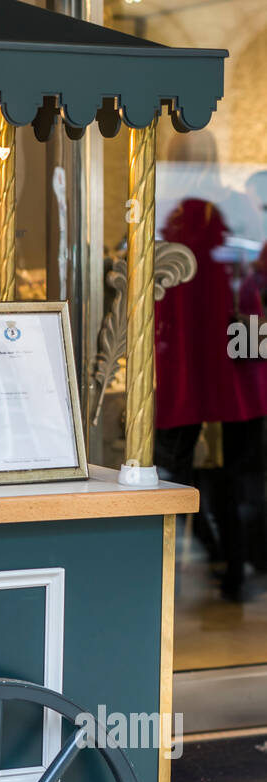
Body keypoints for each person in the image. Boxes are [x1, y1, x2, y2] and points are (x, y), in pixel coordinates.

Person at [155, 198, 267, 600]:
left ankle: (174, 577)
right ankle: (235, 572)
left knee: (173, 482)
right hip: (235, 381)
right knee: (235, 485)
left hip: (184, 380)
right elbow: (254, 323)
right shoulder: (232, 251)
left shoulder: (173, 248)